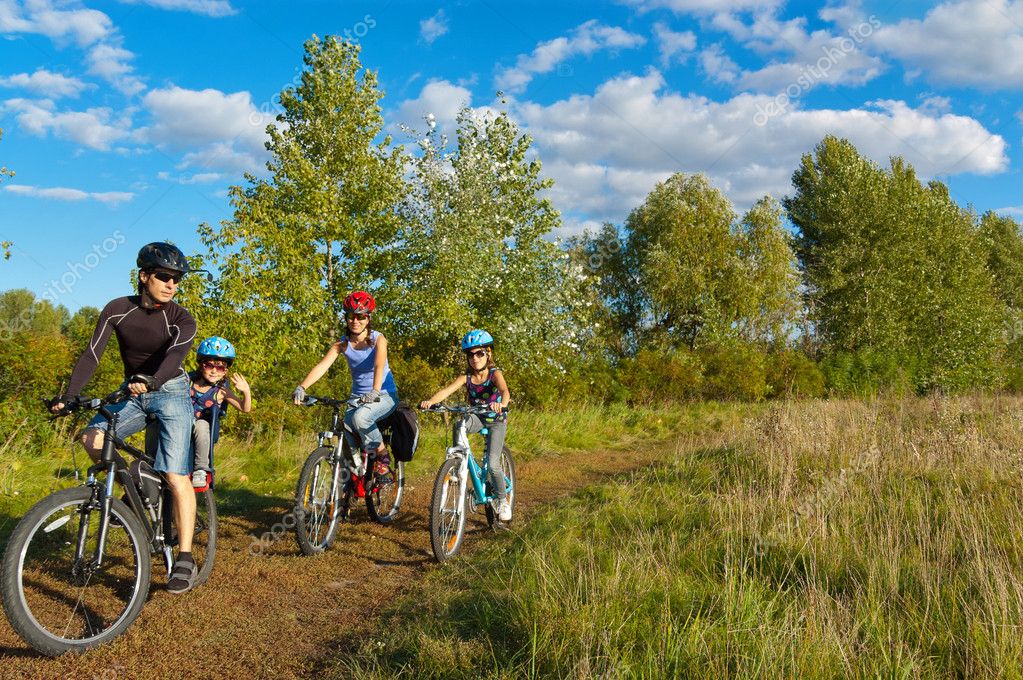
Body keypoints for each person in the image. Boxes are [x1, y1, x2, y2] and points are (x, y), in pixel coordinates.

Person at [50, 242, 201, 594]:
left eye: (177, 279)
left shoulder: (181, 318)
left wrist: (153, 380)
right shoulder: (116, 310)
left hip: (171, 390)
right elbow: (91, 355)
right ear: (144, 275)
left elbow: (175, 355)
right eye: (164, 276)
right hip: (131, 390)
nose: (171, 285)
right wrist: (70, 397)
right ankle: (133, 495)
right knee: (92, 438)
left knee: (176, 474)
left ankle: (185, 556)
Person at [292, 290, 398, 479]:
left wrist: (375, 390)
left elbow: (379, 365)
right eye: (351, 316)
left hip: (383, 394)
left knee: (360, 419)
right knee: (345, 428)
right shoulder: (342, 344)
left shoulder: (378, 339)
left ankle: (382, 456)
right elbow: (323, 366)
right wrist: (302, 387)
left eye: (360, 316)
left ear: (368, 318)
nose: (355, 321)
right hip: (357, 397)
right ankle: (353, 474)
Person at [420, 329, 512, 521]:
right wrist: (430, 402)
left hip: (496, 419)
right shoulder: (466, 378)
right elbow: (446, 392)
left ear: (488, 353)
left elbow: (505, 391)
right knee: (459, 423)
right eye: (471, 354)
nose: (475, 358)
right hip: (477, 417)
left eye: (480, 353)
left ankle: (503, 500)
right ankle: (457, 460)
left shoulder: (495, 374)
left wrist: (501, 405)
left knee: (494, 465)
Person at [189, 336, 252, 491]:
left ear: (226, 371)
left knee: (202, 425)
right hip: (180, 422)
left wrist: (246, 392)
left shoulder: (222, 391)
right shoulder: (188, 381)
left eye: (220, 367)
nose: (214, 371)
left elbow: (245, 408)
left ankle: (200, 469)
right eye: (209, 365)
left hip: (202, 427)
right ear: (200, 364)